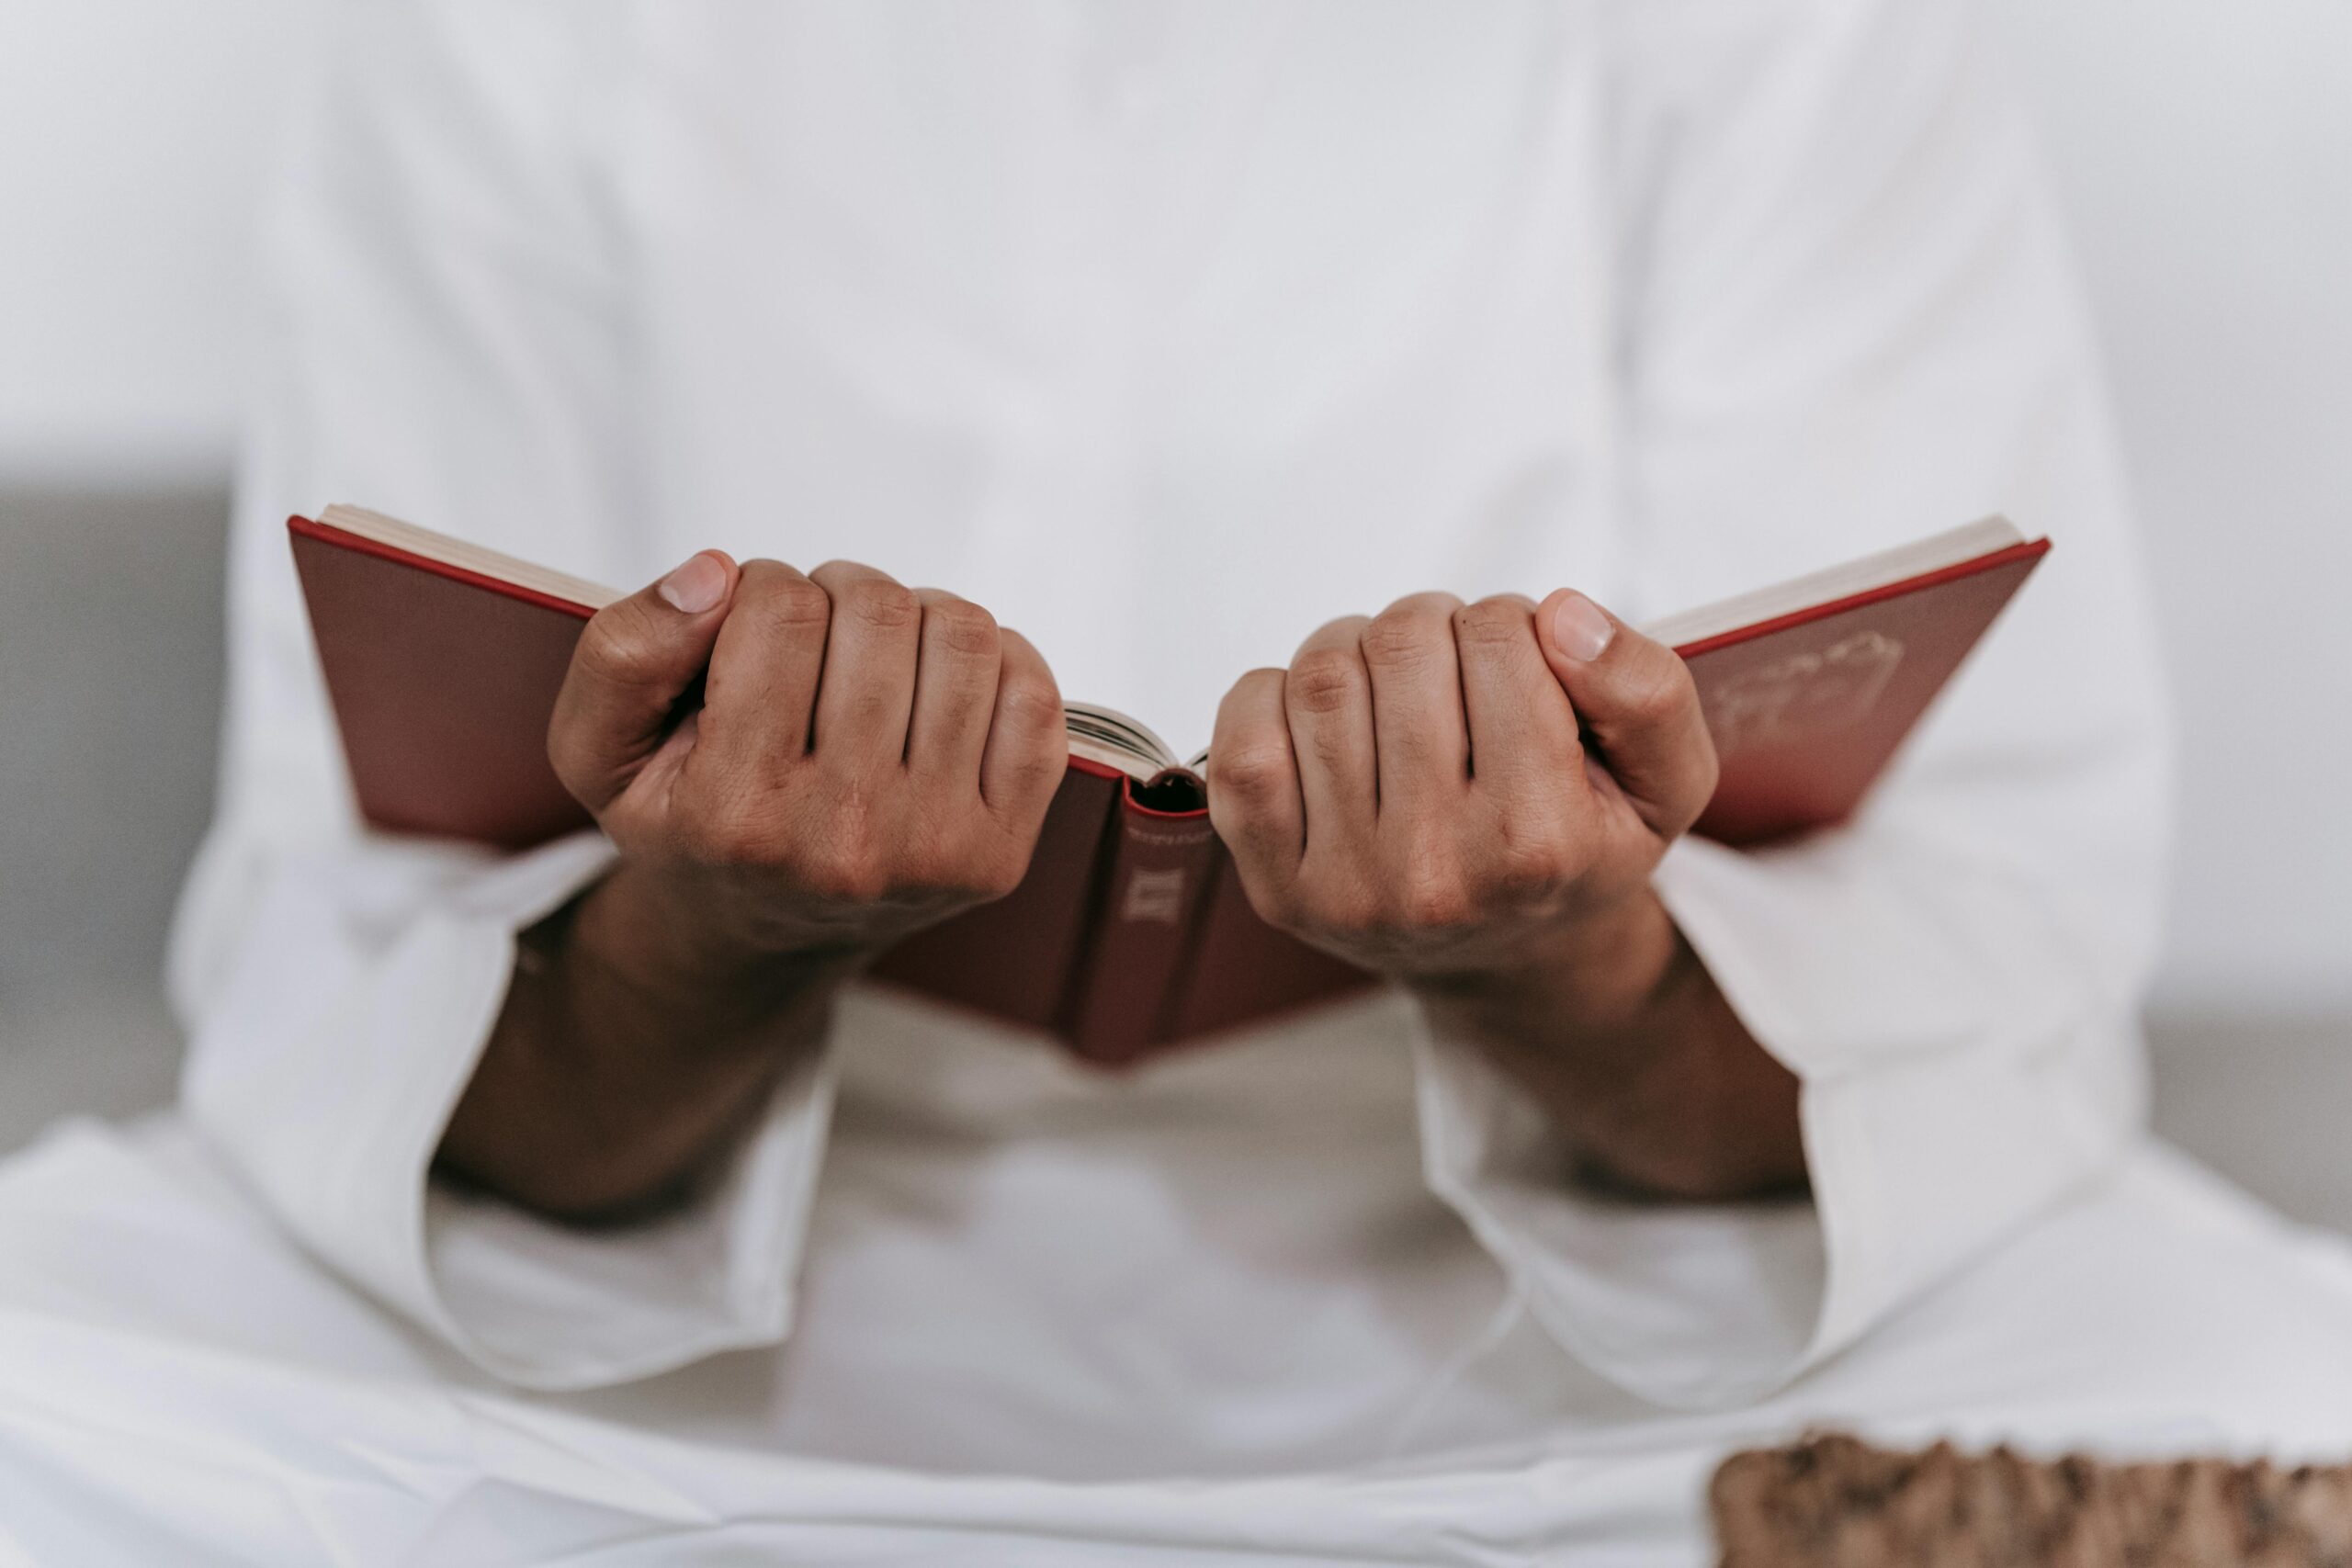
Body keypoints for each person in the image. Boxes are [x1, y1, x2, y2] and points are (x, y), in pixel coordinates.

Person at [2, 2, 2349, 1560]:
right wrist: (722, 924)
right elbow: (361, 1002)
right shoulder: (498, 36)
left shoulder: (1790, 33)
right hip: (737, 1301)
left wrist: (1563, 961)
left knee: (2258, 1409)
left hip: (1559, 1313)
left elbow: (1977, 968)